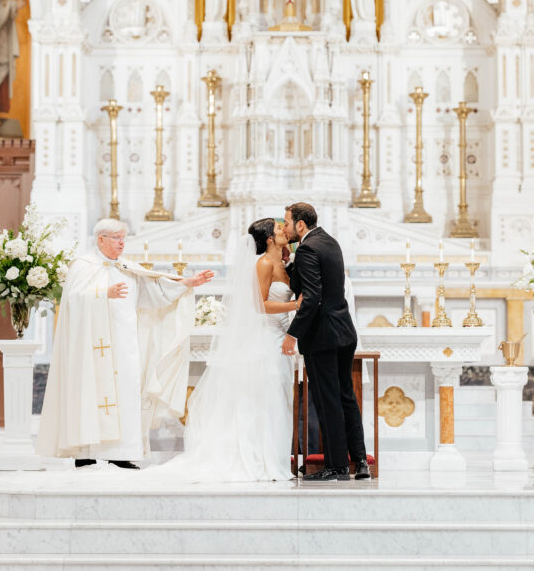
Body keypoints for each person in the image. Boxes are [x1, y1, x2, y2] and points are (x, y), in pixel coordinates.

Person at [36, 218, 214, 469]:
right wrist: (102, 294)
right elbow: (72, 301)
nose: (121, 243)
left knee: (126, 394)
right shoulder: (83, 266)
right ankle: (86, 451)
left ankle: (120, 453)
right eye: (116, 238)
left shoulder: (126, 267)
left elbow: (153, 294)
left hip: (123, 346)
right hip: (90, 349)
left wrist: (186, 283)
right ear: (100, 239)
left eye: (123, 238)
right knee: (91, 392)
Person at [139, 218, 300, 483]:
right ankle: (260, 459)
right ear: (269, 238)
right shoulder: (263, 264)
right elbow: (259, 305)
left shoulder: (283, 263)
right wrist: (294, 306)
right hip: (265, 337)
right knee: (265, 400)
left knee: (278, 398)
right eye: (279, 228)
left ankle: (275, 458)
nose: (285, 229)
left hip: (279, 336)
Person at [283, 201, 369, 482]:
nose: (285, 229)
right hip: (344, 331)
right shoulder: (330, 241)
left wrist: (292, 333)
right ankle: (359, 461)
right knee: (346, 397)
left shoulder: (307, 248)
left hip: (323, 336)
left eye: (287, 223)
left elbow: (310, 296)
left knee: (328, 399)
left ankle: (336, 466)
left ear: (300, 224)